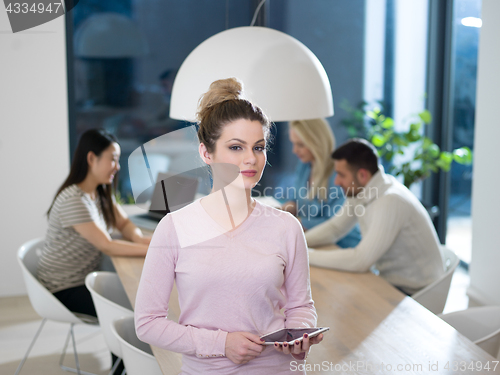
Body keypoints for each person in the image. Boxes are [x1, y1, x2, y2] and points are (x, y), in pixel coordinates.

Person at [134, 78, 323, 374]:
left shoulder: (286, 227)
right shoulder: (174, 228)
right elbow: (147, 324)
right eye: (236, 147)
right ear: (206, 153)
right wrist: (221, 344)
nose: (251, 159)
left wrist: (299, 335)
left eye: (258, 147)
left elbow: (300, 307)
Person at [37, 129, 151, 375]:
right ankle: (121, 369)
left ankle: (123, 366)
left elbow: (124, 224)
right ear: (91, 158)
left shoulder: (99, 192)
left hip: (82, 278)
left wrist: (141, 239)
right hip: (62, 288)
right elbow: (107, 245)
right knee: (126, 309)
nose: (117, 166)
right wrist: (154, 249)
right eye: (112, 158)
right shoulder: (74, 199)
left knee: (132, 300)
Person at [305, 138, 445, 295]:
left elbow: (360, 260)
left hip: (417, 293)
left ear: (362, 175)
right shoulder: (360, 190)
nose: (336, 181)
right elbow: (335, 228)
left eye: (341, 175)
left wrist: (305, 255)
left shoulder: (390, 200)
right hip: (390, 281)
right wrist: (298, 242)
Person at [280, 118, 361, 248]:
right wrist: (279, 212)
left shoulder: (339, 174)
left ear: (316, 143)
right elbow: (295, 200)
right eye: (293, 144)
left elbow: (335, 224)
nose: (294, 150)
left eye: (300, 145)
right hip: (315, 241)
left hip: (341, 245)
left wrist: (297, 222)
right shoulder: (304, 165)